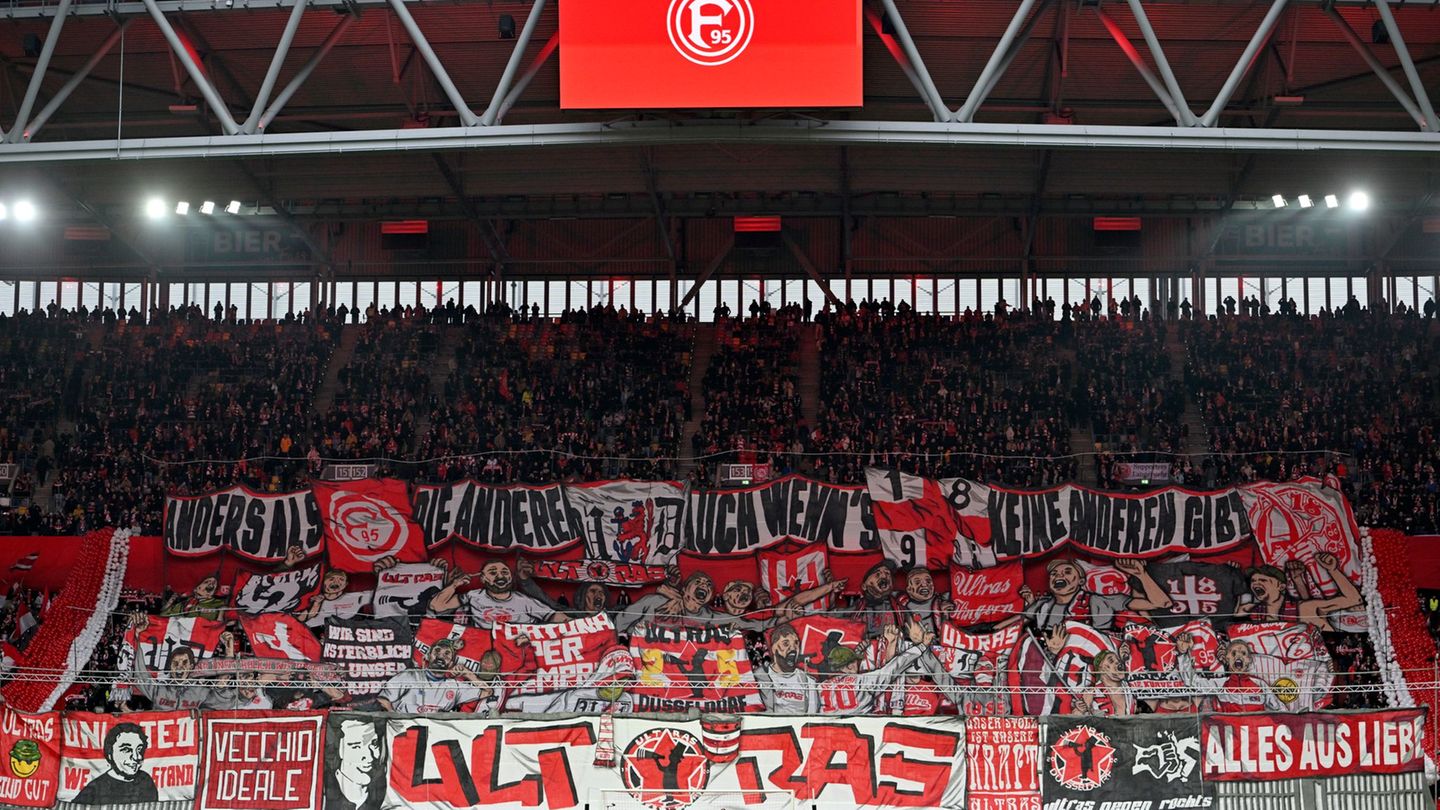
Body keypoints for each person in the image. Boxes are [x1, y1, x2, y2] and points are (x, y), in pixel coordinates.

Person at [1021, 558, 1172, 632]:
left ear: (1081, 581)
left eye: (1067, 572)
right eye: (1054, 574)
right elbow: (1016, 622)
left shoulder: (1099, 600)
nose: (1059, 576)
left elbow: (1162, 603)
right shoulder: (1043, 605)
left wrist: (1141, 574)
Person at [1237, 552, 1362, 631]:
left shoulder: (1304, 609)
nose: (1255, 583)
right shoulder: (1252, 613)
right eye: (1253, 581)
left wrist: (1333, 570)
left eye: (1263, 580)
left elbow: (1354, 599)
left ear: (1281, 586)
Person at [427, 560, 566, 629]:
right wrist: (455, 584)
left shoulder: (524, 601)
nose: (500, 576)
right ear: (482, 578)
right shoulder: (473, 596)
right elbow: (436, 606)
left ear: (511, 577)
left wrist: (581, 624)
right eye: (493, 572)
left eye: (505, 572)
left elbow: (555, 616)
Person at [377, 638, 491, 713]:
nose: (441, 656)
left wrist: (468, 674)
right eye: (437, 651)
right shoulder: (410, 675)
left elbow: (487, 691)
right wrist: (396, 721)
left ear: (451, 663)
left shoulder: (454, 686)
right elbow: (382, 700)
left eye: (447, 654)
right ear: (428, 657)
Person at [72, 723, 158, 805]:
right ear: (110, 754)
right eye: (126, 750)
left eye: (139, 749)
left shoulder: (145, 780)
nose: (136, 757)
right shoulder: (94, 790)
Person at [754, 623, 819, 714]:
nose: (793, 648)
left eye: (796, 643)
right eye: (785, 643)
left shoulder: (808, 681)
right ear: (773, 648)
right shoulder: (760, 677)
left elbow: (812, 715)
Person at [325, 718, 384, 810]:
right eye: (356, 747)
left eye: (374, 744)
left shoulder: (383, 793)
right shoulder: (324, 790)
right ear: (340, 749)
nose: (369, 757)